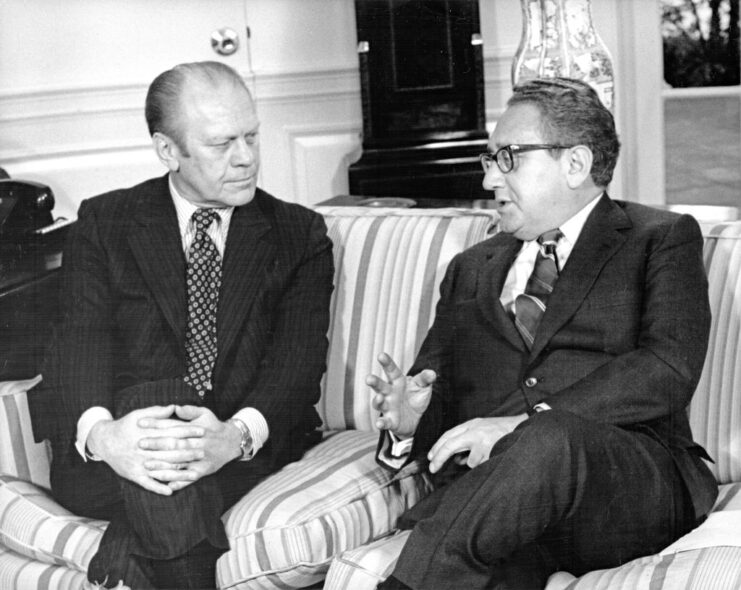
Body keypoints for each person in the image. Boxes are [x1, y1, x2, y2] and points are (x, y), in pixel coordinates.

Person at [368, 77, 718, 590]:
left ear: (574, 164)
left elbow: (668, 368)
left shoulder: (658, 239)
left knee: (551, 437)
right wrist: (407, 422)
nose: (490, 180)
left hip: (625, 487)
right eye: (489, 161)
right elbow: (434, 397)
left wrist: (526, 425)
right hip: (506, 504)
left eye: (508, 157)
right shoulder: (471, 268)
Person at [28, 61, 334, 589]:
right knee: (159, 403)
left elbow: (298, 366)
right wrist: (103, 437)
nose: (246, 159)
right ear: (168, 150)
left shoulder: (297, 233)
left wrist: (234, 437)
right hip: (112, 456)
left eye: (252, 137)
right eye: (222, 144)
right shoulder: (106, 224)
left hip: (238, 450)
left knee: (168, 449)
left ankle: (128, 549)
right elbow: (79, 344)